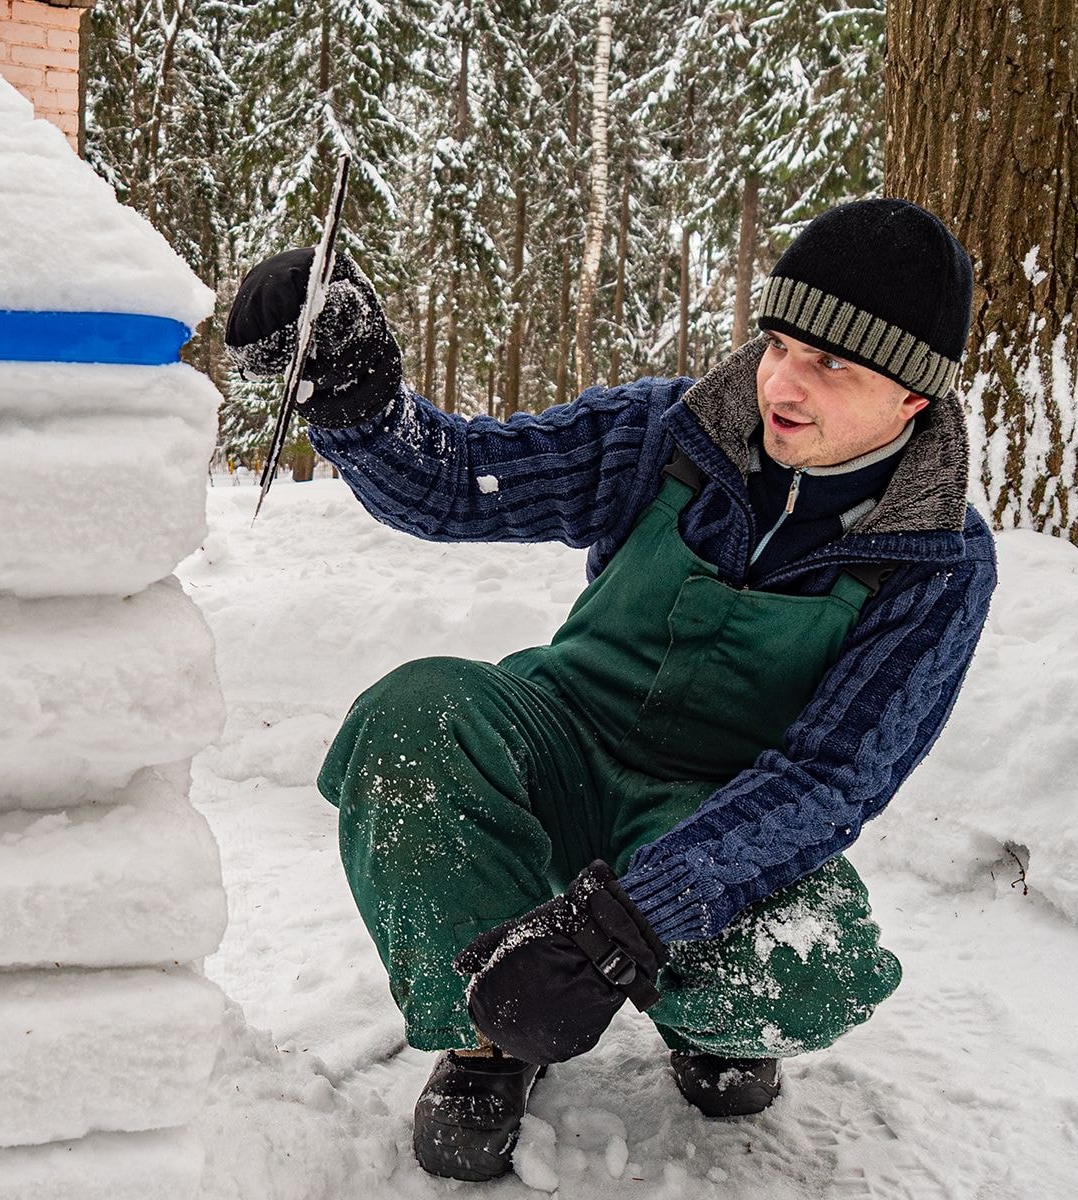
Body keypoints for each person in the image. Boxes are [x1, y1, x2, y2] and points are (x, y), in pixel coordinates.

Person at [225, 198, 996, 1182]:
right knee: (412, 718)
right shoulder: (667, 433)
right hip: (569, 736)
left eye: (830, 364)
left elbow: (829, 781)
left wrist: (624, 925)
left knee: (814, 961)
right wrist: (361, 410)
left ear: (914, 398)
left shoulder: (936, 561)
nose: (782, 384)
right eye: (779, 344)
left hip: (719, 814)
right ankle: (487, 1034)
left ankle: (712, 1024)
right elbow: (465, 481)